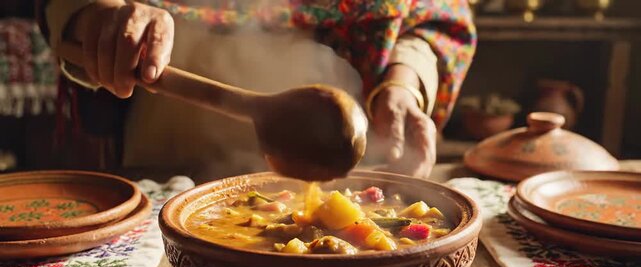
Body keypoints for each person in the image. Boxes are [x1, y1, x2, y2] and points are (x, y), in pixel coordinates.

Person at [37, 0, 476, 179]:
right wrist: (96, 16)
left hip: (359, 168)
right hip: (169, 171)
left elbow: (433, 11)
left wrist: (403, 83)